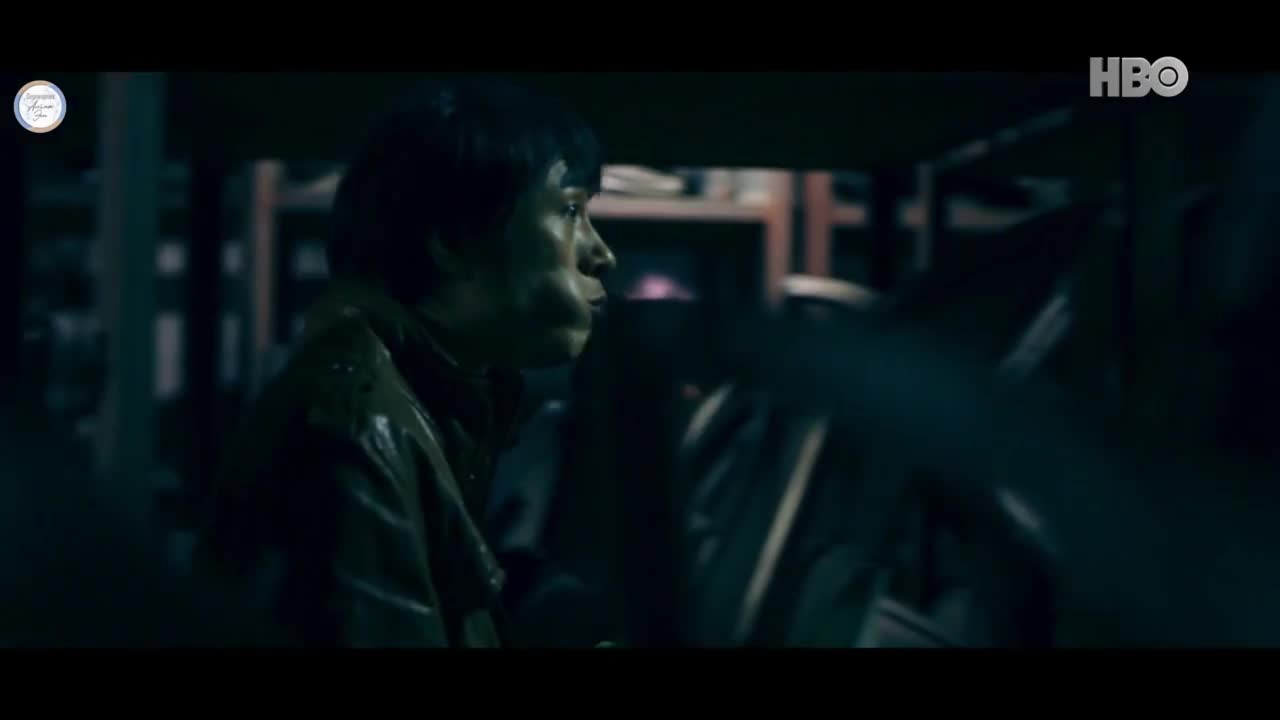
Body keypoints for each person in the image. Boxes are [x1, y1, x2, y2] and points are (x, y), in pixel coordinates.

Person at [193, 79, 616, 647]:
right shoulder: (361, 428)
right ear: (454, 241)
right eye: (570, 211)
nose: (601, 253)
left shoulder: (431, 401)